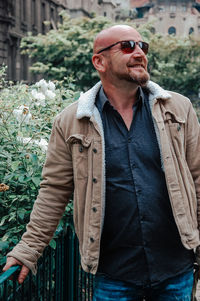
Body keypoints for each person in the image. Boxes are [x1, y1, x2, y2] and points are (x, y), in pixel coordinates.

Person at [3, 25, 200, 300]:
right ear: (99, 61)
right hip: (114, 274)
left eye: (144, 47)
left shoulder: (178, 109)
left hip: (174, 268)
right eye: (128, 46)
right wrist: (28, 250)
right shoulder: (71, 121)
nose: (140, 53)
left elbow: (197, 178)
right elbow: (54, 191)